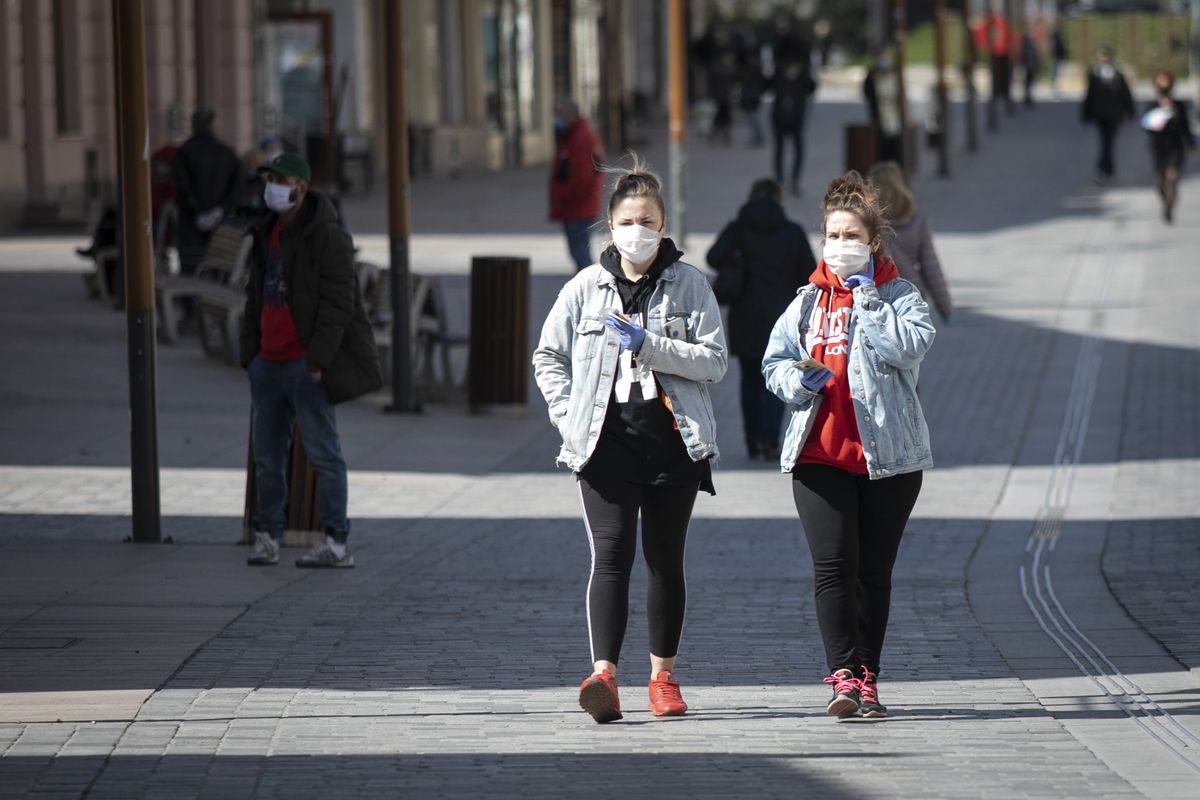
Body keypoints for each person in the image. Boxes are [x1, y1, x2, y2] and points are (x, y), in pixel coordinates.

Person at [532, 158, 727, 724]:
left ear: (662, 227)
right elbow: (548, 356)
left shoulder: (690, 285)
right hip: (604, 445)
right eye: (626, 220)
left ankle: (663, 678)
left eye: (647, 220)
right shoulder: (584, 288)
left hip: (672, 442)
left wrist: (649, 345)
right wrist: (568, 416)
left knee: (665, 561)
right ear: (610, 228)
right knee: (611, 556)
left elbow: (714, 363)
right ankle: (604, 676)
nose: (636, 230)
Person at [761, 171, 935, 720]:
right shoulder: (806, 302)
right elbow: (774, 364)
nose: (839, 246)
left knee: (872, 574)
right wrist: (797, 381)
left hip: (889, 461)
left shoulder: (901, 295)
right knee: (833, 568)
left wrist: (870, 302)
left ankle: (870, 677)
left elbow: (910, 350)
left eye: (850, 237)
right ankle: (844, 677)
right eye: (832, 236)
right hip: (820, 457)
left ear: (873, 243)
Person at [240, 153, 383, 569]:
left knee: (323, 453)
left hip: (306, 365)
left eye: (280, 180)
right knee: (267, 454)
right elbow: (254, 296)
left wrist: (317, 360)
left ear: (301, 188)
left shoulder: (329, 238)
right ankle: (267, 535)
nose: (272, 188)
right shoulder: (265, 233)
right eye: (269, 180)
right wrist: (249, 354)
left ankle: (336, 541)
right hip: (267, 363)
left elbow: (339, 304)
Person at [706, 178, 815, 460]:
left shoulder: (738, 229)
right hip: (781, 318)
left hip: (745, 316)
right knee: (778, 380)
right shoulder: (793, 232)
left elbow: (712, 256)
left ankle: (751, 441)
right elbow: (809, 273)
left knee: (750, 380)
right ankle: (770, 441)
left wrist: (737, 259)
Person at [867, 162, 953, 323]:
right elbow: (930, 264)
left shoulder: (868, 221)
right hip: (911, 294)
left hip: (878, 294)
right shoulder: (917, 218)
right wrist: (944, 306)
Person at [173, 110, 242, 276]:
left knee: (191, 266)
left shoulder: (184, 152)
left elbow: (182, 187)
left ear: (193, 125)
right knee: (221, 268)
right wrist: (220, 210)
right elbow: (237, 188)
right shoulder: (227, 153)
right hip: (220, 218)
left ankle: (190, 302)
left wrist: (198, 213)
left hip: (192, 219)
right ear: (214, 125)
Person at [548, 99, 606, 271]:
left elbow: (582, 176)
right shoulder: (573, 136)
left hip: (578, 207)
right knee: (578, 252)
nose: (556, 119)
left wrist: (565, 196)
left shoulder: (580, 138)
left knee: (581, 254)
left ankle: (590, 291)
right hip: (575, 206)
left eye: (558, 115)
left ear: (570, 115)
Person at [1141, 69, 1196, 224]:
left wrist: (1191, 145)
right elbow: (1146, 126)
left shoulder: (1179, 106)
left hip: (1175, 146)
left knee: (1172, 177)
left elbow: (1186, 127)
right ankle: (1165, 201)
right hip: (1158, 147)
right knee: (1159, 181)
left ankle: (1169, 207)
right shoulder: (1152, 106)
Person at [1081, 47, 1134, 186]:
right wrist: (1086, 114)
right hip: (1100, 115)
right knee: (1105, 143)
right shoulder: (1094, 74)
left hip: (1114, 115)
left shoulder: (1117, 75)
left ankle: (1104, 170)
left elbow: (1125, 94)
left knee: (1108, 144)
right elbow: (1089, 96)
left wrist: (1129, 111)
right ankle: (1106, 171)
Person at [771, 52, 818, 195]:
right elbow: (767, 85)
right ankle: (779, 181)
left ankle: (794, 180)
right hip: (779, 118)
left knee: (798, 150)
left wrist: (810, 71)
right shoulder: (778, 75)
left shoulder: (803, 77)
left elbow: (812, 87)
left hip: (796, 119)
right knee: (779, 150)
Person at [863, 49, 903, 171]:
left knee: (894, 149)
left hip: (893, 118)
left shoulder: (894, 73)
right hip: (879, 118)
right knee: (880, 150)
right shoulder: (872, 74)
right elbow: (868, 93)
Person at [1019, 29, 1040, 107]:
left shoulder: (1029, 46)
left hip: (1030, 66)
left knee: (1029, 83)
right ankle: (1027, 98)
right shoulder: (1026, 46)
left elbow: (1034, 57)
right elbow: (1024, 57)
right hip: (1028, 67)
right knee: (1027, 83)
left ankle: (1028, 98)